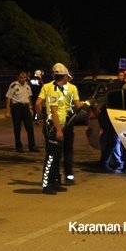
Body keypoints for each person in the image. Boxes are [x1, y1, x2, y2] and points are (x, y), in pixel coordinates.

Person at [34, 63, 89, 194]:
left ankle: (54, 182)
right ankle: (47, 184)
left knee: (57, 156)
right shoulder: (53, 90)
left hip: (60, 126)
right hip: (54, 127)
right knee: (51, 157)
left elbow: (38, 104)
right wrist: (58, 129)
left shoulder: (58, 89)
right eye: (66, 76)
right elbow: (54, 111)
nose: (68, 78)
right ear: (63, 76)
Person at [5, 71, 38, 153]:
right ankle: (18, 146)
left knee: (30, 127)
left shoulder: (27, 86)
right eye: (21, 77)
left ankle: (32, 146)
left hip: (26, 107)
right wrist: (7, 111)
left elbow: (29, 97)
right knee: (17, 128)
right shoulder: (13, 85)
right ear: (18, 77)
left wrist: (30, 108)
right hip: (17, 108)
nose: (23, 79)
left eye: (25, 77)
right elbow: (8, 98)